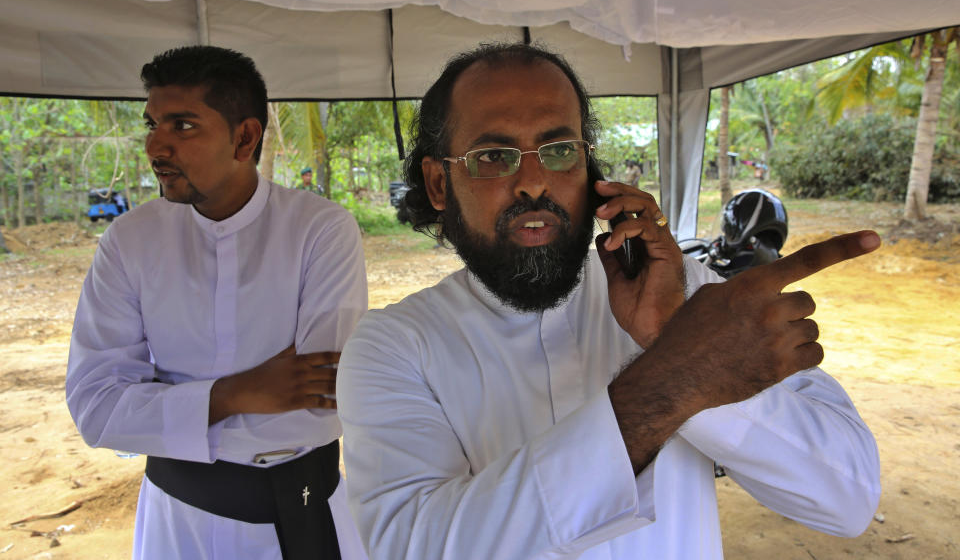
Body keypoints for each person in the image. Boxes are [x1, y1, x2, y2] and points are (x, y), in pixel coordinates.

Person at [336, 43, 882, 560]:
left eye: (559, 150)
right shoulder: (393, 348)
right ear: (437, 184)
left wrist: (677, 335)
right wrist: (675, 377)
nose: (533, 181)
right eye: (494, 156)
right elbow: (419, 547)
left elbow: (847, 499)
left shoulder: (687, 294)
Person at [66, 46, 368, 560]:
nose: (155, 146)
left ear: (245, 137)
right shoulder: (130, 241)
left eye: (182, 126)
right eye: (153, 124)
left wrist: (168, 408)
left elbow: (319, 404)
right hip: (180, 520)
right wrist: (235, 394)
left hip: (305, 509)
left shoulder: (320, 230)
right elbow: (97, 409)